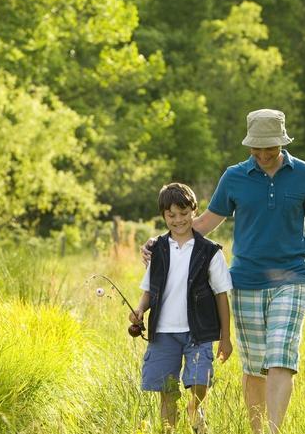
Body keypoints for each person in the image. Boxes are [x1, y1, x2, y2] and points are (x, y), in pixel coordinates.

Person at [141, 109, 305, 434]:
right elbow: (201, 225)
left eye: (268, 149)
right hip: (245, 282)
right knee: (255, 367)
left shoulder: (304, 174)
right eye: (255, 149)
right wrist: (159, 244)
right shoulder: (234, 177)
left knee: (280, 357)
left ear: (282, 142)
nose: (261, 156)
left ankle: (273, 432)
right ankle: (257, 431)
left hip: (292, 278)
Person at [130, 182, 233, 433]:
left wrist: (226, 338)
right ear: (164, 215)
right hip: (163, 332)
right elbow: (149, 290)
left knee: (200, 381)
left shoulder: (209, 252)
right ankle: (169, 430)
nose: (178, 220)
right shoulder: (157, 250)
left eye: (184, 213)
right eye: (171, 215)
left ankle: (194, 408)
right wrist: (139, 310)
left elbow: (221, 295)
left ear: (194, 212)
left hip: (199, 332)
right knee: (166, 390)